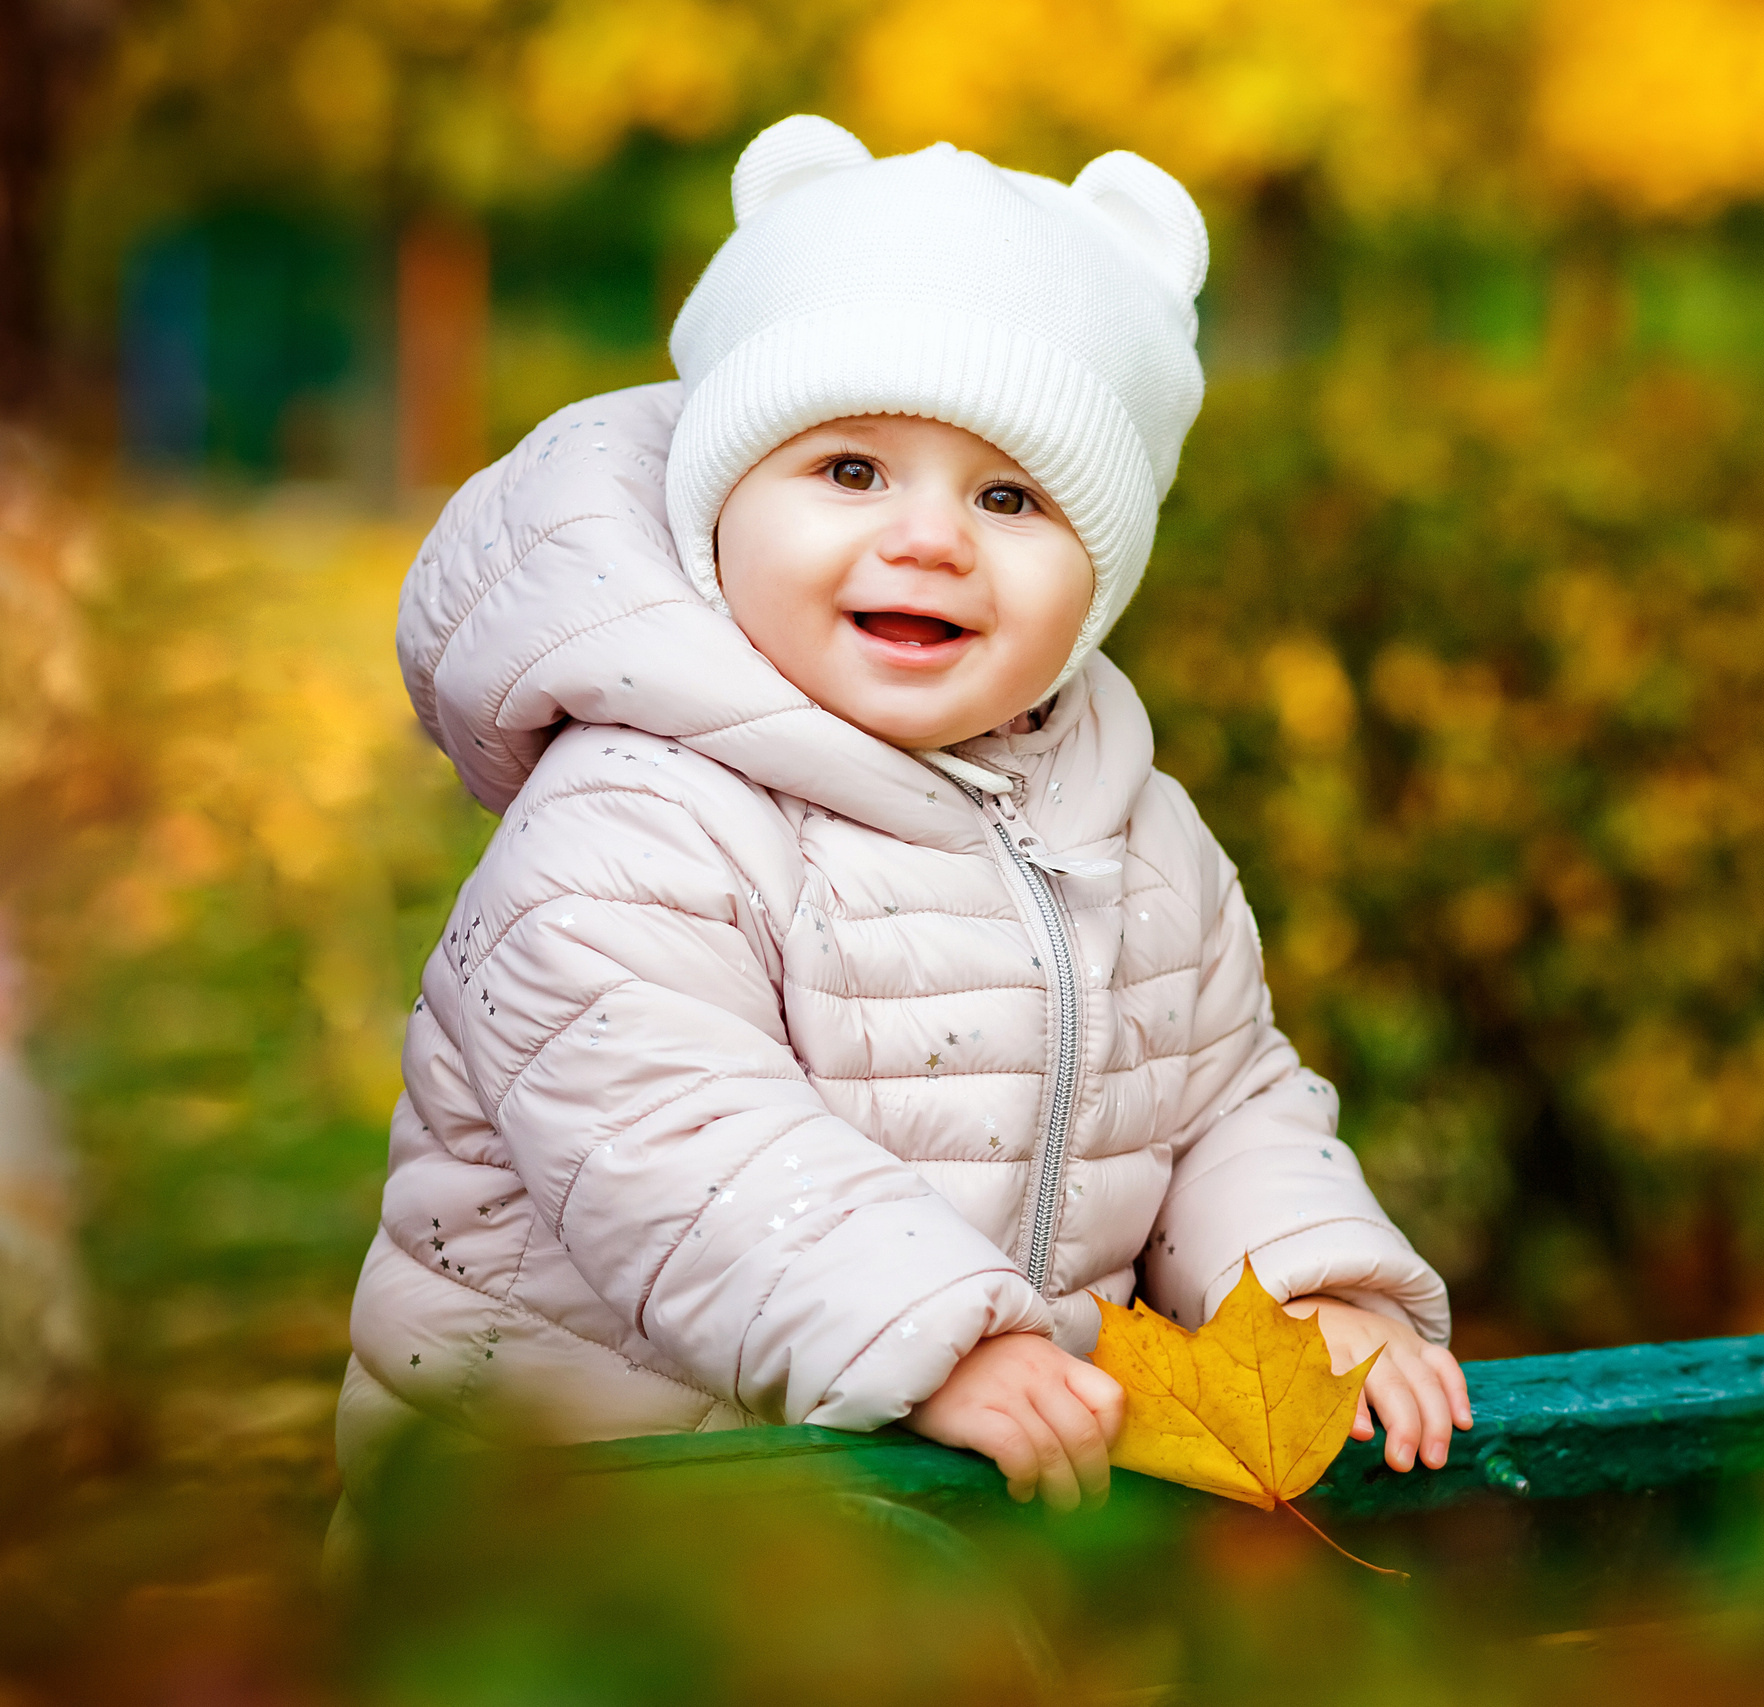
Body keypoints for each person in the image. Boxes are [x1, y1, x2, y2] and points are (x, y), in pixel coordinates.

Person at [334, 116, 1469, 1522]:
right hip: (594, 1531)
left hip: (939, 1511)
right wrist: (933, 1335)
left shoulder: (1135, 828)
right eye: (852, 472)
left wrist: (1312, 1305)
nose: (930, 538)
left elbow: (1222, 1100)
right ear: (719, 510)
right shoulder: (632, 820)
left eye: (1010, 497)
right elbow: (673, 1134)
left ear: (1097, 581)